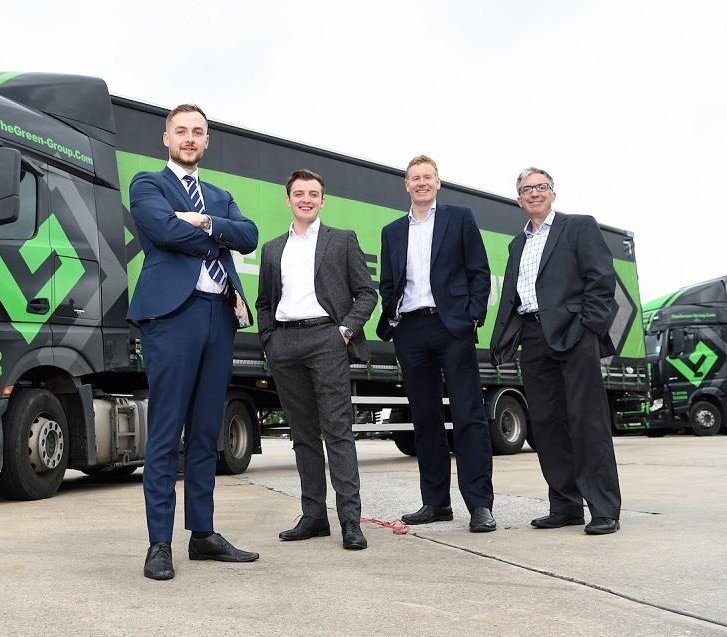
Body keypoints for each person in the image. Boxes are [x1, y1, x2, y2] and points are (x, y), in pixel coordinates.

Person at [128, 104, 260, 580]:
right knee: (166, 432)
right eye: (180, 131)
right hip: (171, 315)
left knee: (206, 432)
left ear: (208, 142)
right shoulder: (147, 184)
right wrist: (215, 238)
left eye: (197, 132)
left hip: (219, 315)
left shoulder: (220, 195)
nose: (189, 138)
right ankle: (159, 543)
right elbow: (160, 229)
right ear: (166, 138)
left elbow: (249, 236)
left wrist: (203, 223)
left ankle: (202, 534)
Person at [490, 167, 621, 535]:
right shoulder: (517, 244)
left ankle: (604, 508)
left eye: (540, 187)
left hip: (575, 336)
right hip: (534, 338)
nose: (534, 193)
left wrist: (588, 328)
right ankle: (565, 506)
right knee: (546, 424)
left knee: (587, 421)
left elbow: (601, 280)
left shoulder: (578, 227)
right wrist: (505, 338)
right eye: (526, 189)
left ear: (552, 192)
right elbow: (514, 295)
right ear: (518, 199)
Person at [255, 169, 377, 550]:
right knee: (303, 435)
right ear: (288, 200)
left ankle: (350, 522)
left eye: (313, 194)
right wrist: (269, 340)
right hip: (285, 344)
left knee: (337, 431)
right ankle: (313, 517)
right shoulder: (273, 249)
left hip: (328, 339)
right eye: (299, 193)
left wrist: (343, 332)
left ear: (323, 201)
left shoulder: (341, 241)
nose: (306, 199)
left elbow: (366, 294)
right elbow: (263, 301)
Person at [376, 155, 496, 532]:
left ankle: (479, 505)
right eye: (415, 178)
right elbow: (389, 282)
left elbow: (479, 271)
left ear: (438, 183)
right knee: (424, 418)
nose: (422, 183)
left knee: (468, 416)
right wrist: (393, 318)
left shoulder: (461, 218)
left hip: (452, 328)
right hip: (410, 330)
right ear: (406, 185)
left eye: (428, 177)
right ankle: (436, 502)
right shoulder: (392, 231)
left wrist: (472, 316)